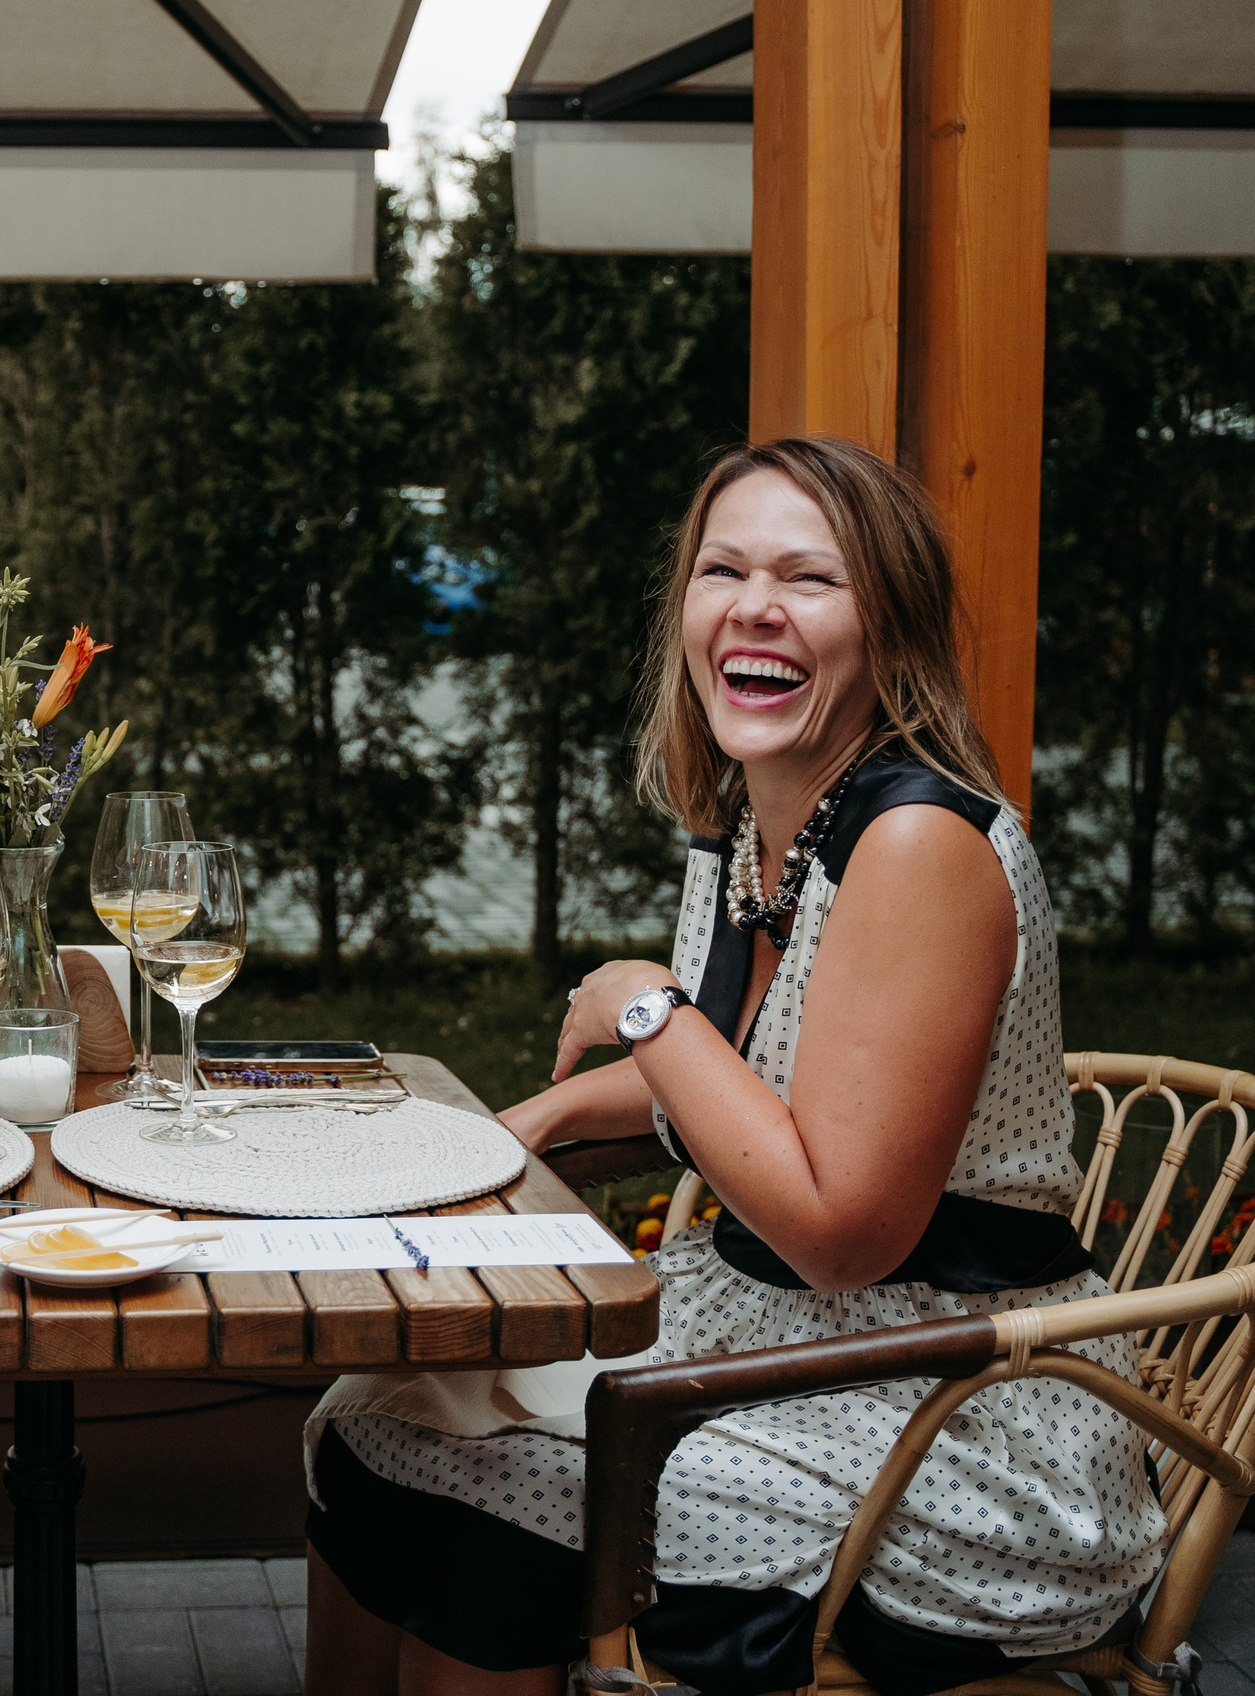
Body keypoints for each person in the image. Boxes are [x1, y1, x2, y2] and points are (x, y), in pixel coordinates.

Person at [302, 438, 1165, 1696]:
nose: (755, 604)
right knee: (372, 1409)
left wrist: (642, 1005)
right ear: (688, 613)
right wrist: (536, 1120)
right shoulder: (755, 826)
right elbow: (753, 1093)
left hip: (947, 1413)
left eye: (809, 578)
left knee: (477, 1491)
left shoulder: (918, 844)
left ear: (892, 631)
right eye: (724, 569)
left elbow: (839, 1231)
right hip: (776, 1345)